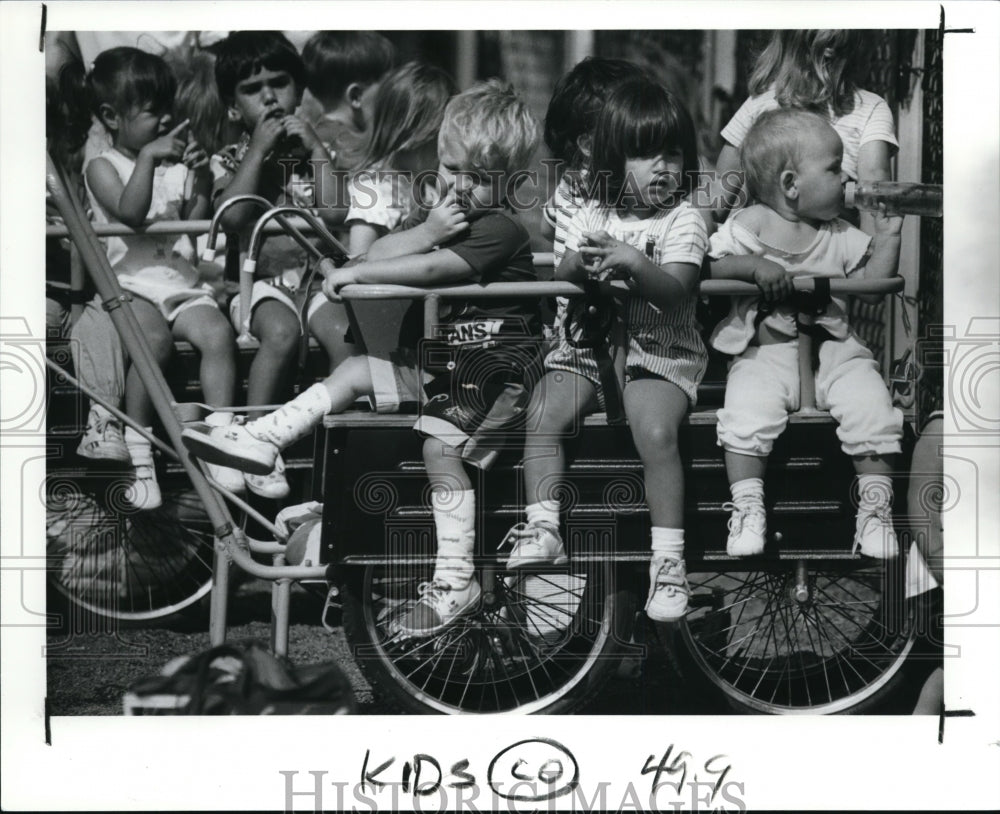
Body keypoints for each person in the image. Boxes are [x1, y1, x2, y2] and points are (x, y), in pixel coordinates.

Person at [182, 79, 541, 636]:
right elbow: (378, 250)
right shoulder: (449, 219)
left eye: (478, 178)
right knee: (352, 372)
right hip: (448, 370)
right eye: (450, 169)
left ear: (511, 184)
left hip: (496, 378)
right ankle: (263, 438)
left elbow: (426, 272)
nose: (460, 187)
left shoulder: (499, 230)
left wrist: (357, 272)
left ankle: (455, 580)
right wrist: (421, 231)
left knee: (438, 449)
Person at [505, 76, 709, 623]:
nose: (662, 165)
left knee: (656, 432)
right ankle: (544, 526)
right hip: (586, 348)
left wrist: (635, 263)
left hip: (656, 353)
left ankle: (668, 563)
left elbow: (675, 291)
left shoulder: (684, 218)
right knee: (544, 412)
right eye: (645, 154)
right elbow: (566, 270)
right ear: (615, 160)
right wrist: (581, 262)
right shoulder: (594, 211)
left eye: (672, 152)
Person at [707, 108, 904, 559]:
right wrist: (753, 266)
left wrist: (889, 237)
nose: (846, 176)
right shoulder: (752, 223)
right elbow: (711, 265)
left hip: (834, 353)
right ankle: (747, 507)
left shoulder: (839, 232)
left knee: (873, 405)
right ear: (791, 184)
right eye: (835, 168)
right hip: (768, 354)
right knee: (743, 411)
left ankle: (874, 512)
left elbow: (872, 289)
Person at [80, 47, 239, 508]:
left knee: (218, 334)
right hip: (130, 286)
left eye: (168, 109)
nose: (166, 120)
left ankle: (224, 441)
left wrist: (202, 179)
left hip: (180, 281)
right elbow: (130, 213)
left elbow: (197, 219)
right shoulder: (103, 166)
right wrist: (150, 158)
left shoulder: (170, 165)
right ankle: (140, 456)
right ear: (111, 116)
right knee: (154, 346)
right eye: (153, 112)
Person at [209, 31, 333, 498]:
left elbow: (338, 211)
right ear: (232, 108)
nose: (268, 95)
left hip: (318, 283)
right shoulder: (230, 159)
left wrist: (318, 149)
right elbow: (236, 218)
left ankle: (337, 460)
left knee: (347, 336)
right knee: (281, 333)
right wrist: (259, 152)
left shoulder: (317, 151)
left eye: (279, 82)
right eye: (251, 88)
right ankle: (255, 439)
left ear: (299, 90)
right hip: (256, 287)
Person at [306, 61, 455, 371]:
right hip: (383, 313)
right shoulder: (378, 186)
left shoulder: (426, 183)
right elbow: (360, 258)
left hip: (422, 304)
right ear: (418, 133)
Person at [713, 30, 897, 236]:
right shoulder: (762, 102)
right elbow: (722, 186)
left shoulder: (871, 109)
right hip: (762, 248)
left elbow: (873, 195)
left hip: (836, 253)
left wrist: (870, 259)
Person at [540, 57, 650, 343]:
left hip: (573, 332)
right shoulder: (628, 191)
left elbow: (546, 229)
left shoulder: (566, 186)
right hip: (610, 329)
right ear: (588, 144)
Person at [301, 31, 396, 176]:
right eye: (390, 89)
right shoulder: (355, 147)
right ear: (356, 96)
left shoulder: (316, 137)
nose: (396, 96)